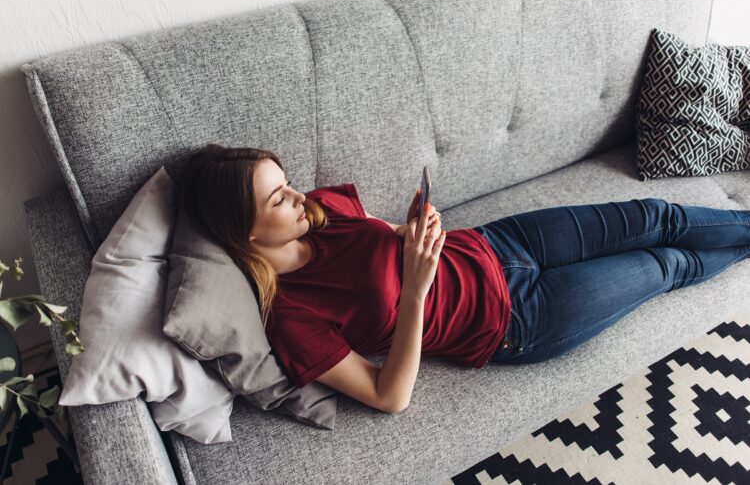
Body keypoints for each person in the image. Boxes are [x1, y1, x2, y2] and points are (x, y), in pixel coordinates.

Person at [179, 144, 750, 414]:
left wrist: (411, 233)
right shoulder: (292, 317)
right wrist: (418, 289)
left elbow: (385, 237)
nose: (299, 195)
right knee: (668, 264)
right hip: (517, 319)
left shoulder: (322, 210)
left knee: (657, 215)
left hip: (498, 243)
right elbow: (389, 396)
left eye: (288, 182)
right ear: (246, 233)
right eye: (279, 198)